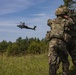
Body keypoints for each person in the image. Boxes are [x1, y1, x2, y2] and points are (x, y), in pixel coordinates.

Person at [46, 7, 71, 75]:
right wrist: (68, 17)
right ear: (63, 13)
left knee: (52, 62)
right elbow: (71, 23)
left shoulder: (52, 21)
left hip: (52, 43)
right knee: (65, 61)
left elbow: (48, 22)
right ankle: (65, 73)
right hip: (61, 42)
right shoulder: (65, 21)